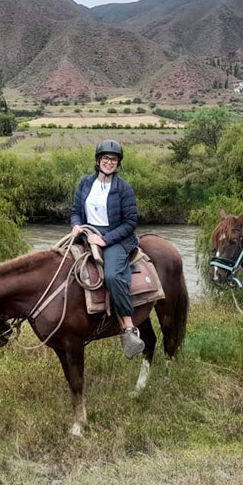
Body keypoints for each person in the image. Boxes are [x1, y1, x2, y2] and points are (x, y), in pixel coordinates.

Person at [70, 139, 145, 359]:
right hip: (86, 233)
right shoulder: (85, 183)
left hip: (116, 238)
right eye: (105, 158)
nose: (109, 162)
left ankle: (129, 327)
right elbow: (75, 211)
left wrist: (105, 240)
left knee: (112, 275)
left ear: (118, 163)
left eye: (113, 159)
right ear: (98, 160)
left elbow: (130, 223)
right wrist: (76, 225)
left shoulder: (123, 188)